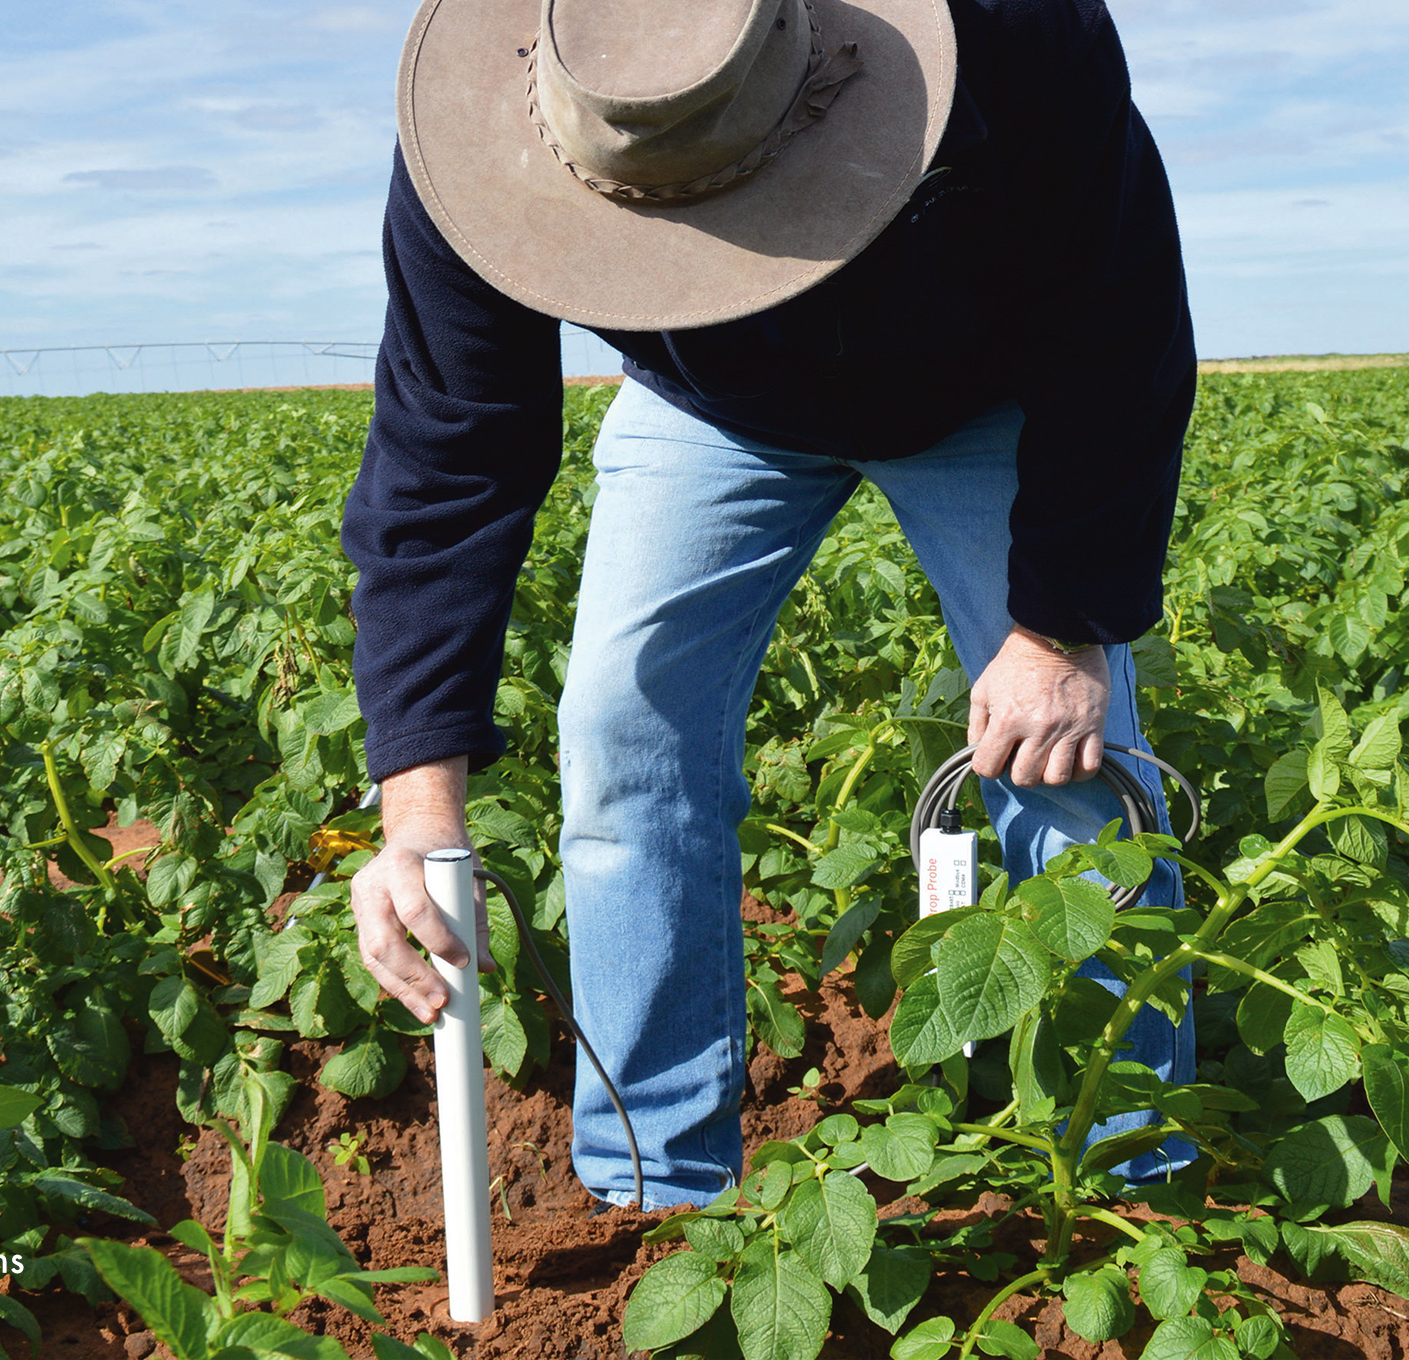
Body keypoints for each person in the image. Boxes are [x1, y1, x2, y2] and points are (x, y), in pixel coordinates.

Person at [340, 0, 1197, 1209]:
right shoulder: (473, 127)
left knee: (1067, 756)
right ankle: (657, 1186)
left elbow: (1122, 328)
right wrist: (418, 814)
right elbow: (447, 454)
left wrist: (1055, 630)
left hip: (991, 388)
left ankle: (1128, 1167)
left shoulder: (1012, 27)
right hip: (713, 406)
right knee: (620, 735)